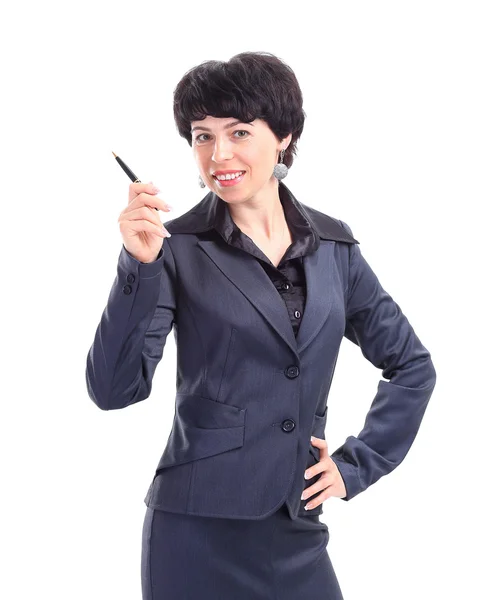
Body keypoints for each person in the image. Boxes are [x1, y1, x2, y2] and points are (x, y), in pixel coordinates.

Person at [85, 51, 437, 599]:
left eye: (240, 132)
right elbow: (113, 390)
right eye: (202, 136)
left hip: (296, 525)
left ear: (285, 137)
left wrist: (358, 464)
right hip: (195, 531)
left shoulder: (335, 248)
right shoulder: (174, 249)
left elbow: (412, 365)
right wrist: (139, 265)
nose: (218, 155)